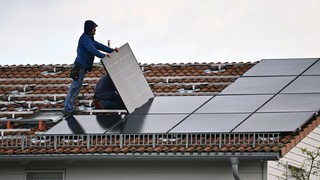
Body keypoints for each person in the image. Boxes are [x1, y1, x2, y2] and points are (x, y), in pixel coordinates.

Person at [63, 20, 119, 116]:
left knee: (76, 87)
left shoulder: (90, 39)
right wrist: (103, 56)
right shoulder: (84, 39)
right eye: (94, 28)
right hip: (79, 67)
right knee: (74, 87)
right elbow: (92, 49)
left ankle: (69, 108)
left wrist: (112, 50)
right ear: (90, 29)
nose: (95, 30)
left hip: (82, 67)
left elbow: (99, 46)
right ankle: (68, 109)